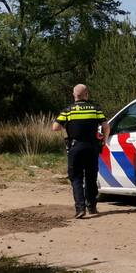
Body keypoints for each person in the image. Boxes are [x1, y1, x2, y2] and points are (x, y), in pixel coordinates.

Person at [52, 84, 109, 218]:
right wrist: (104, 141)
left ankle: (80, 209)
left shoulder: (68, 110)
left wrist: (66, 126)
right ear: (86, 95)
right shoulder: (95, 109)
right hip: (92, 147)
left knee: (76, 177)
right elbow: (106, 126)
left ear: (74, 95)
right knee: (91, 177)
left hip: (75, 147)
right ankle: (92, 207)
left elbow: (55, 127)